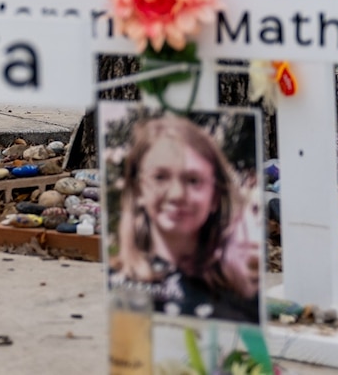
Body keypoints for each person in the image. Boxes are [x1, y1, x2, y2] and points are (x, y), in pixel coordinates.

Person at [110, 114, 261, 323]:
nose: (176, 194)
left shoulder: (244, 299)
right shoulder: (117, 285)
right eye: (160, 177)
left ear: (215, 195)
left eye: (193, 180)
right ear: (137, 190)